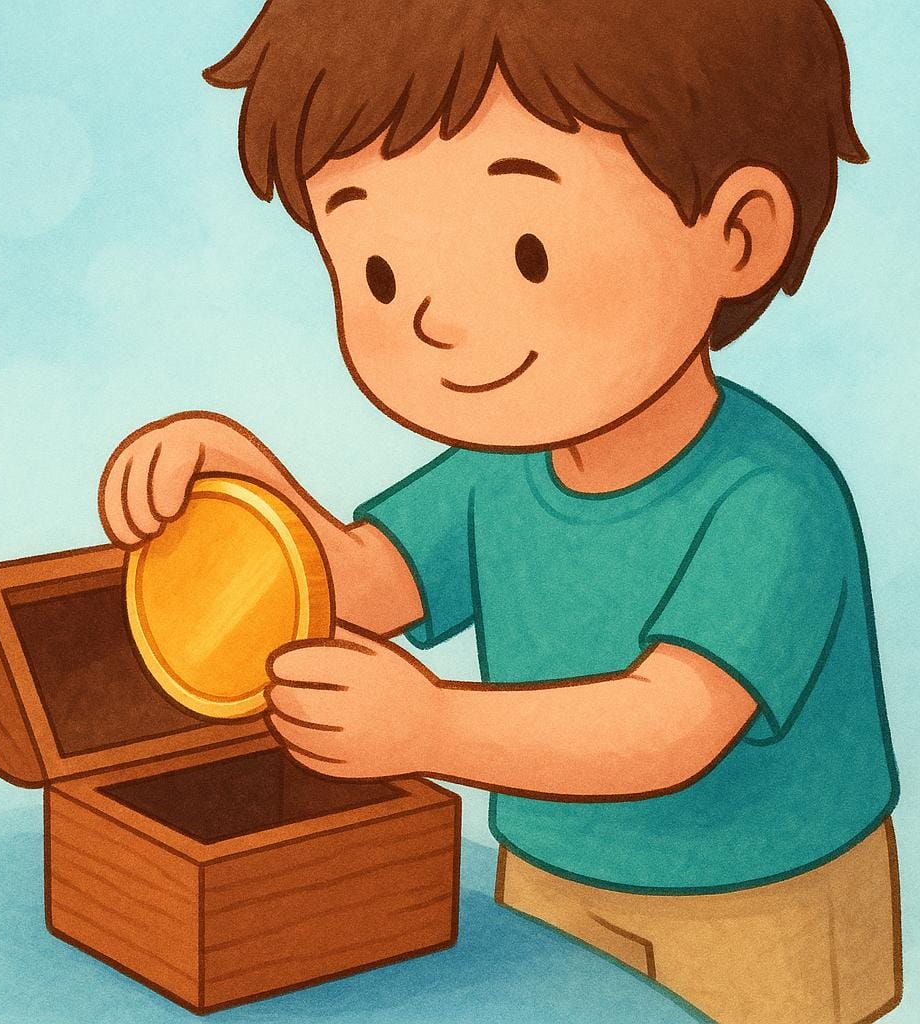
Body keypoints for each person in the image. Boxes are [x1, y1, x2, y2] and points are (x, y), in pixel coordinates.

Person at [98, 3, 900, 1021]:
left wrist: (428, 725)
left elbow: (670, 723)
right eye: (380, 274)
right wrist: (243, 489)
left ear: (737, 236)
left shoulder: (770, 497)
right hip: (553, 869)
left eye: (527, 251)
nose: (431, 318)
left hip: (762, 893)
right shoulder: (492, 472)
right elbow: (360, 582)